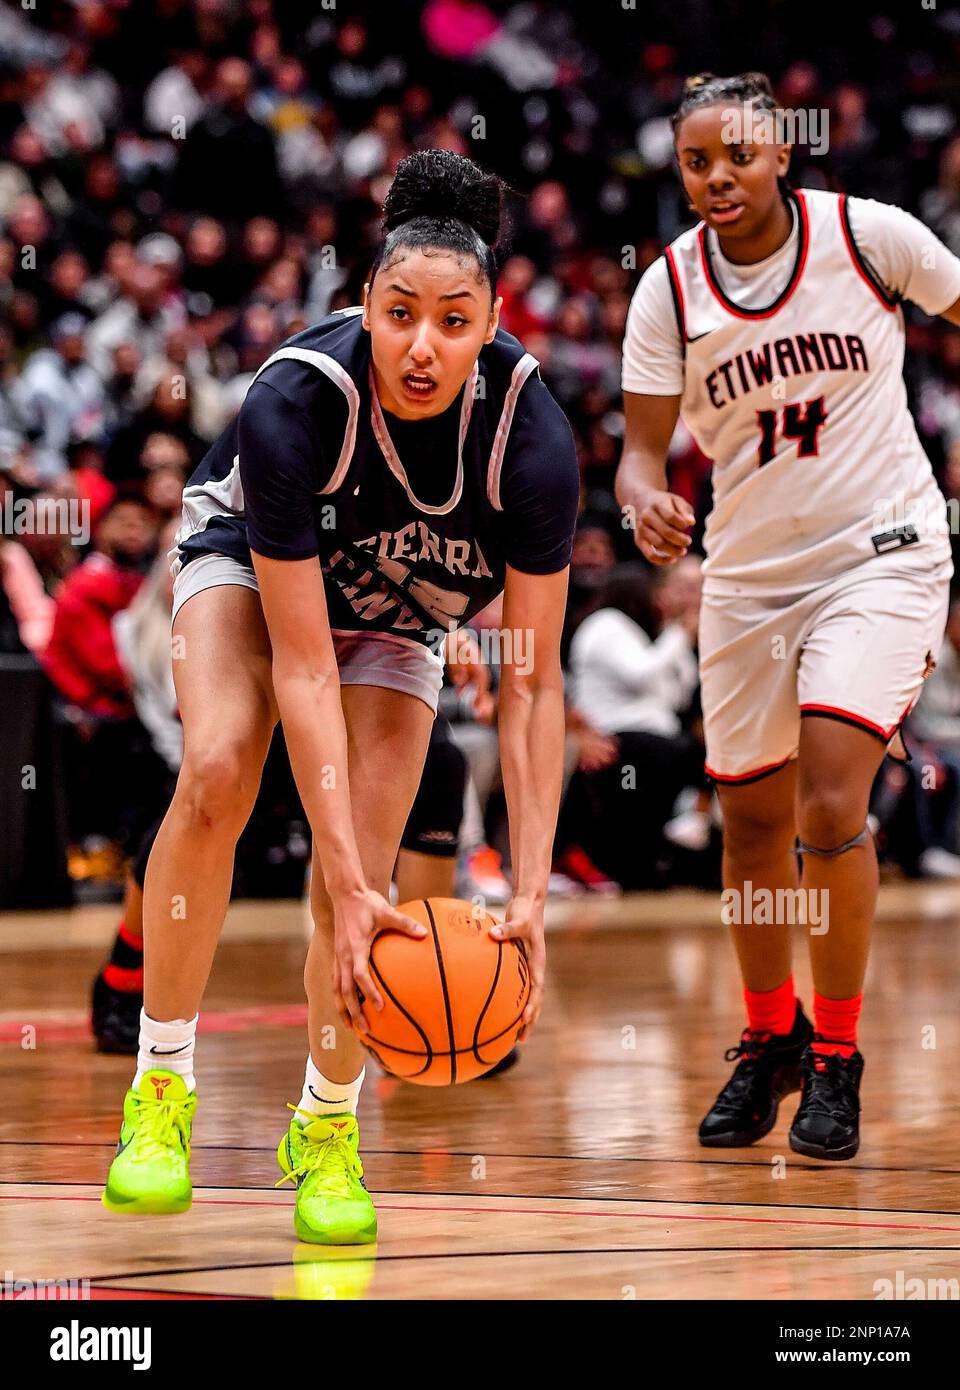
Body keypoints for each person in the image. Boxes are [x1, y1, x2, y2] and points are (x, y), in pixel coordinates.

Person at [101, 150, 579, 1241]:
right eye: (400, 312)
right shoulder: (295, 402)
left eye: (454, 322)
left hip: (399, 617)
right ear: (363, 303)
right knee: (221, 767)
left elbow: (536, 681)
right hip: (255, 574)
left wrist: (536, 892)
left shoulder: (533, 441)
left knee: (357, 874)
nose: (424, 343)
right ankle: (160, 1091)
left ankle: (326, 1127)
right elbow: (304, 664)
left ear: (494, 321)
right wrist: (347, 867)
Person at [616, 73, 960, 1160]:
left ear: (782, 154)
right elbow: (635, 456)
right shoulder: (668, 290)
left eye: (737, 156)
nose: (717, 178)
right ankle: (771, 1037)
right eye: (694, 162)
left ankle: (840, 1056)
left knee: (826, 797)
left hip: (883, 552)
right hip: (751, 576)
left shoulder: (872, 240)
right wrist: (644, 505)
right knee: (752, 828)